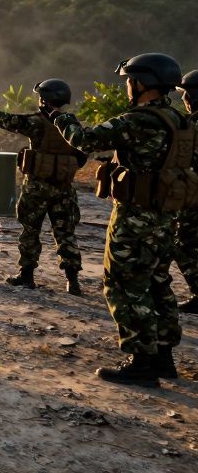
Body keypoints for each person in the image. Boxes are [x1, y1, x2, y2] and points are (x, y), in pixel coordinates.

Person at [52, 53, 187, 386]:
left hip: (135, 218)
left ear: (142, 83)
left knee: (126, 286)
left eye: (129, 80)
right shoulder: (179, 120)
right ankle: (163, 358)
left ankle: (142, 362)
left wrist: (59, 118)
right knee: (158, 283)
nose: (127, 86)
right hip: (166, 217)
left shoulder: (140, 120)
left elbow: (85, 141)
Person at [0, 79, 86, 294]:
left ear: (44, 100)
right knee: (65, 233)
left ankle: (26, 276)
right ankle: (72, 280)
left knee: (30, 231)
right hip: (64, 189)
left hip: (36, 187)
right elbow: (82, 156)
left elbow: (7, 120)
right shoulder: (73, 125)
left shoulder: (36, 123)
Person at [174, 69, 198, 313]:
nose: (184, 100)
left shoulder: (192, 126)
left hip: (193, 196)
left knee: (183, 244)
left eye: (186, 95)